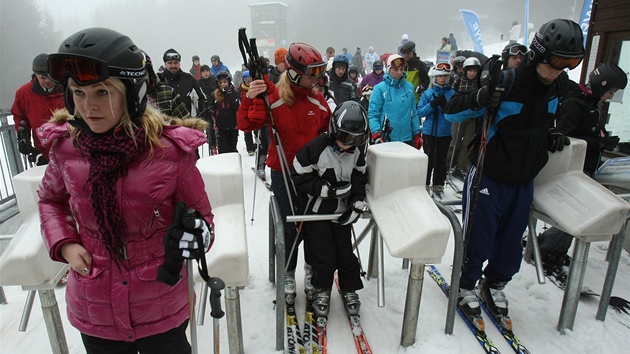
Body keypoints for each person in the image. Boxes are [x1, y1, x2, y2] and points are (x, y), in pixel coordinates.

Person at [37, 27, 214, 353]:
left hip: (159, 301)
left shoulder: (170, 153)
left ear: (132, 93)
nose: (88, 106)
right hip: (95, 304)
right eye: (78, 93)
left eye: (102, 92)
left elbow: (202, 218)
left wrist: (194, 237)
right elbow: (51, 200)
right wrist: (64, 244)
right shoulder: (66, 149)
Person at [444, 19, 584, 323]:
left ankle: (494, 284)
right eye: (556, 62)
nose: (559, 71)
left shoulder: (557, 85)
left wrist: (556, 131)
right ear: (538, 54)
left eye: (568, 64)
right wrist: (480, 97)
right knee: (479, 238)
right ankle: (465, 283)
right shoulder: (505, 82)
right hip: (489, 175)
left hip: (523, 179)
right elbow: (452, 109)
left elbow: (571, 102)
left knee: (510, 241)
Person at [237, 42, 331, 298]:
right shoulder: (274, 98)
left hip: (311, 175)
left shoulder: (318, 101)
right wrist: (250, 99)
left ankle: (311, 268)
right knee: (290, 227)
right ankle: (287, 271)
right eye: (311, 73)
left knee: (313, 226)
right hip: (283, 173)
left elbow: (327, 134)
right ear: (293, 72)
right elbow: (246, 125)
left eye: (319, 72)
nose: (317, 79)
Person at [538, 62, 627, 267]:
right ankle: (548, 249)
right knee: (576, 213)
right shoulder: (576, 103)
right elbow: (566, 137)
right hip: (573, 168)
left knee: (578, 212)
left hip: (584, 165)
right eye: (611, 91)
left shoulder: (590, 103)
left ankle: (554, 247)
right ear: (602, 85)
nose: (611, 96)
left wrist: (602, 138)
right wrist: (600, 142)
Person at [291, 100, 368, 318]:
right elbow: (298, 173)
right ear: (334, 131)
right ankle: (322, 289)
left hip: (340, 213)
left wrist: (357, 201)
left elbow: (359, 175)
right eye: (346, 138)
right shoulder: (316, 149)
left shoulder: (356, 152)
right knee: (323, 254)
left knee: (345, 252)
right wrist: (325, 189)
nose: (351, 144)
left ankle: (350, 288)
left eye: (358, 139)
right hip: (317, 212)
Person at [11, 53, 65, 165]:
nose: (48, 81)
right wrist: (23, 138)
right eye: (43, 77)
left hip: (72, 151)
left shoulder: (67, 89)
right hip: (43, 153)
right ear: (36, 75)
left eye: (51, 76)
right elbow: (20, 118)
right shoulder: (24, 93)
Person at [417, 63, 456, 197]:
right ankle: (425, 183)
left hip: (445, 132)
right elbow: (420, 112)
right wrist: (431, 105)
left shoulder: (452, 94)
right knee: (429, 159)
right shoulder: (428, 93)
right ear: (435, 78)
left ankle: (438, 184)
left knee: (441, 159)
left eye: (445, 76)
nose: (443, 79)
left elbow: (455, 115)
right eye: (440, 76)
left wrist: (446, 107)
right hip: (429, 131)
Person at [368, 54, 421, 146]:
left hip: (406, 138)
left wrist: (416, 134)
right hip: (386, 138)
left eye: (401, 69)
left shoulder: (409, 87)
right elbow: (373, 114)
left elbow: (413, 113)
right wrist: (376, 133)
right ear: (389, 69)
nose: (399, 72)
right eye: (396, 69)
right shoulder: (380, 89)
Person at [449, 57, 481, 180]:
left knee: (467, 142)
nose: (472, 73)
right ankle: (448, 163)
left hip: (472, 116)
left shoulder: (478, 83)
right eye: (470, 71)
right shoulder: (458, 82)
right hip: (459, 115)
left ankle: (461, 166)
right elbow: (452, 98)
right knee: (454, 140)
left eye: (474, 71)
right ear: (465, 70)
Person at [145, 53, 190, 119]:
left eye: (143, 72)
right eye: (170, 63)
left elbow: (186, 120)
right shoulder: (127, 95)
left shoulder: (167, 92)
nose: (173, 65)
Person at [162, 48, 207, 116]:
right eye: (170, 63)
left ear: (179, 63)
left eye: (176, 63)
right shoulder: (158, 81)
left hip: (187, 124)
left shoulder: (189, 79)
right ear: (165, 64)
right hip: (165, 124)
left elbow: (201, 99)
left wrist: (204, 113)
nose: (173, 66)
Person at [211, 70, 240, 154]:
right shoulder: (214, 94)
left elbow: (236, 108)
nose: (223, 84)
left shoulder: (234, 93)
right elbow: (211, 109)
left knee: (232, 149)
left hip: (233, 126)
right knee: (223, 150)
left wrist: (230, 96)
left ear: (229, 82)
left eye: (225, 82)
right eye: (220, 82)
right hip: (221, 127)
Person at [238, 70, 256, 156]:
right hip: (245, 113)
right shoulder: (240, 90)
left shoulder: (255, 88)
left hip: (255, 111)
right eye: (246, 80)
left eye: (250, 79)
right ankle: (250, 148)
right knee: (247, 132)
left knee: (257, 130)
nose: (248, 82)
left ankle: (258, 144)